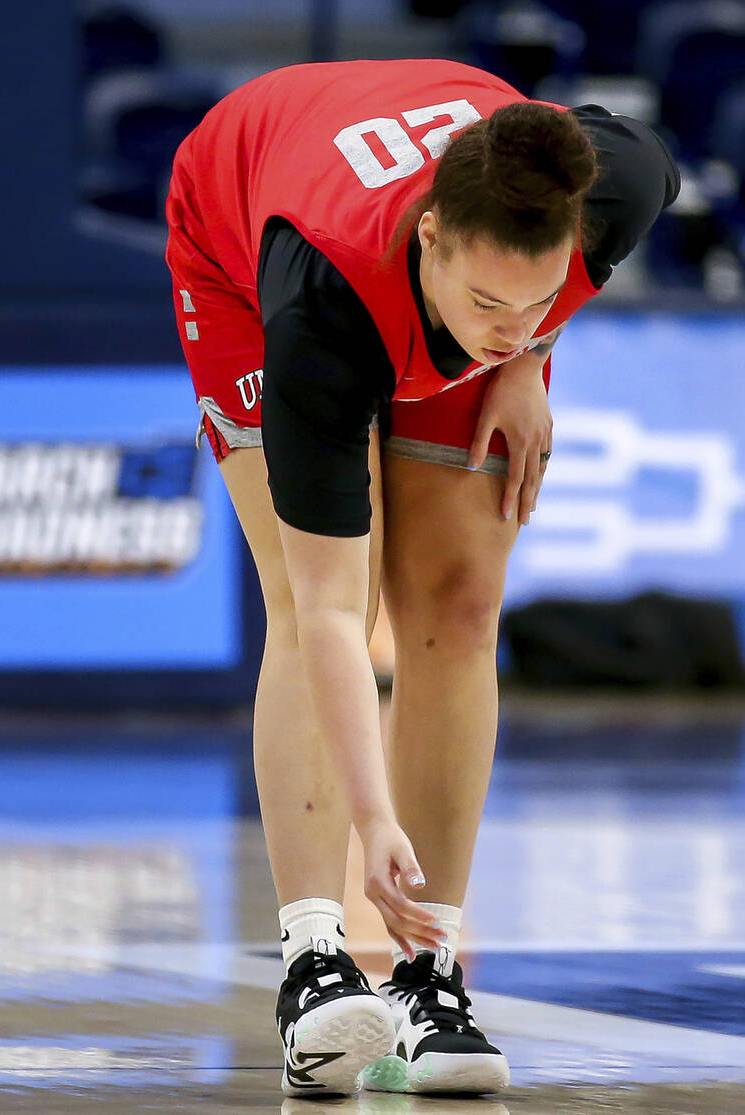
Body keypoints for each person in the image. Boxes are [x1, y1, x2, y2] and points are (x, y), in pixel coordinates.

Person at [164, 58, 679, 1099]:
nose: (510, 322)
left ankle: (432, 973)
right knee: (306, 596)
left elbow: (537, 276)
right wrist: (374, 825)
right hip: (247, 222)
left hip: (434, 195)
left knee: (458, 604)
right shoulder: (320, 296)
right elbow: (330, 608)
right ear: (435, 238)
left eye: (537, 302)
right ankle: (313, 966)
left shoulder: (602, 197)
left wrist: (526, 359)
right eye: (492, 302)